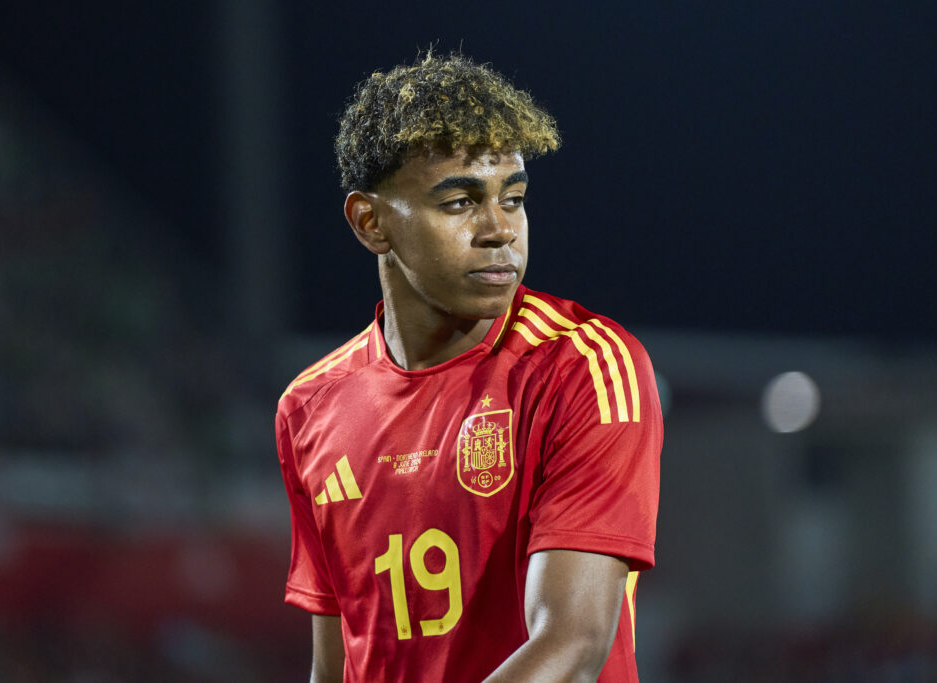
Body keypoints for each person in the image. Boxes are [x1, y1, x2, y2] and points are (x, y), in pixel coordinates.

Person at [275, 51, 662, 682]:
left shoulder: (583, 366)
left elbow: (571, 644)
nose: (499, 230)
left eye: (513, 199)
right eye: (459, 203)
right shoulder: (309, 407)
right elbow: (337, 662)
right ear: (370, 222)